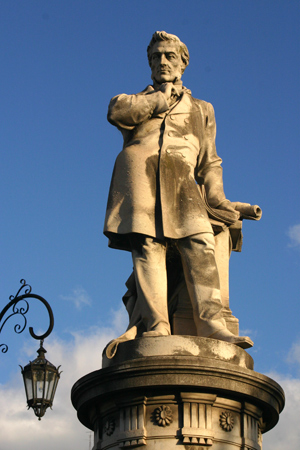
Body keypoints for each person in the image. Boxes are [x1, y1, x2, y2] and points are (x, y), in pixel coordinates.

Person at [104, 31, 253, 349]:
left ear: (183, 62)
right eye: (156, 56)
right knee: (147, 247)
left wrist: (218, 198)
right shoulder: (135, 101)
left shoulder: (202, 109)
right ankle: (157, 325)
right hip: (139, 177)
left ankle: (212, 325)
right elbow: (116, 113)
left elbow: (210, 162)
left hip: (182, 180)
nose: (162, 62)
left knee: (200, 243)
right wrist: (161, 99)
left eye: (169, 56)